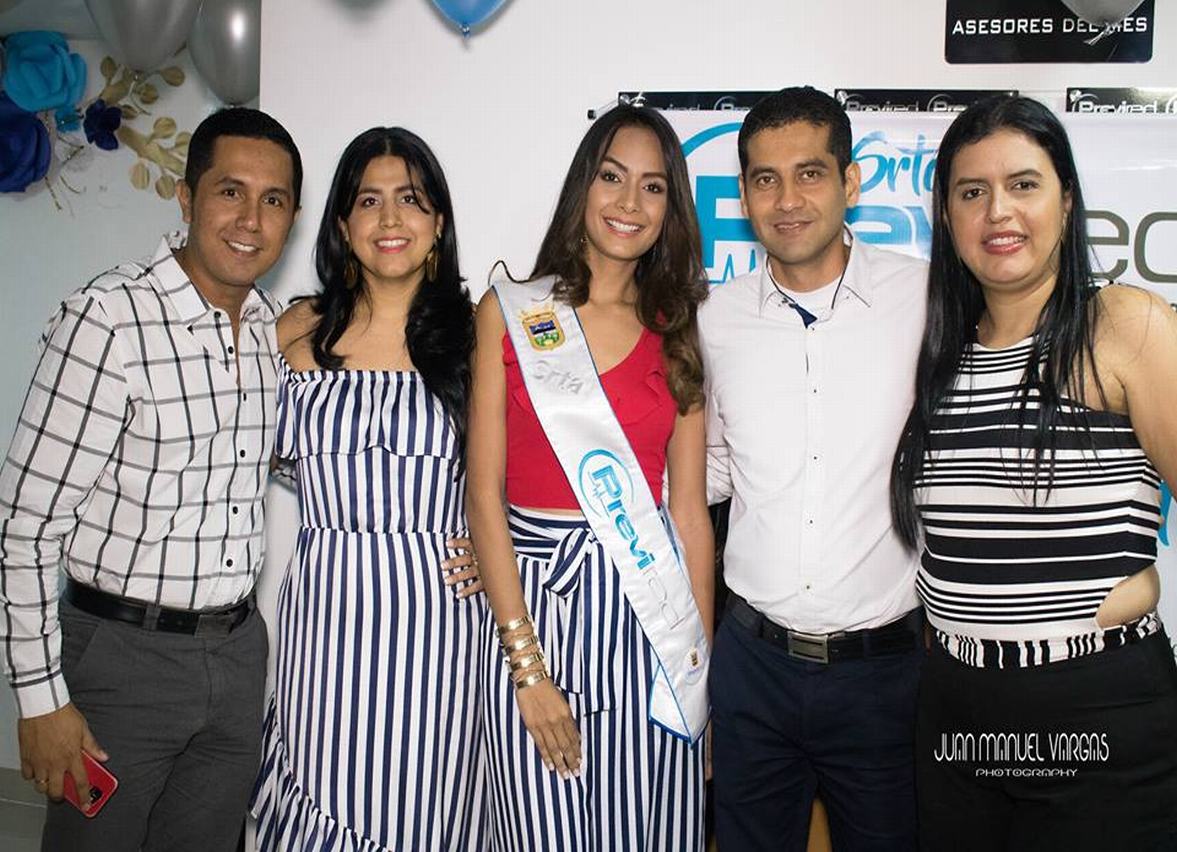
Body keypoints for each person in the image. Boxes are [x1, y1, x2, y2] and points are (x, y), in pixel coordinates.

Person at [0, 107, 301, 851]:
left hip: (237, 657)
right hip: (119, 660)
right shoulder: (109, 318)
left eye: (273, 200)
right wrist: (40, 700)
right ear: (187, 195)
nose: (250, 220)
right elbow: (24, 523)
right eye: (230, 191)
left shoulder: (271, 334)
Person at [891, 94, 1177, 851]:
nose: (997, 212)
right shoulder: (940, 359)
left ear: (1066, 199)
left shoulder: (1119, 325)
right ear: (946, 217)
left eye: (1023, 184)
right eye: (970, 191)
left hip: (1095, 716)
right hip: (955, 714)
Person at [467, 104, 712, 851]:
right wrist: (526, 667)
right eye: (611, 178)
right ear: (583, 185)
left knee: (651, 834)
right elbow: (483, 495)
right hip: (534, 605)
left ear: (671, 209)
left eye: (652, 187)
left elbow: (691, 515)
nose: (628, 204)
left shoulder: (677, 328)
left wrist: (696, 675)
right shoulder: (510, 312)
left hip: (649, 620)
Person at [700, 86, 928, 851]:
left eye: (809, 173)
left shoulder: (925, 299)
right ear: (742, 194)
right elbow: (707, 474)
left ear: (850, 181)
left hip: (883, 676)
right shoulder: (712, 320)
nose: (786, 199)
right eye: (764, 178)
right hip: (751, 668)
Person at [249, 127, 486, 851]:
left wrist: (498, 547)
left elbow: (530, 471)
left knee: (425, 810)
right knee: (318, 801)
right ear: (344, 225)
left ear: (438, 222)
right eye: (369, 201)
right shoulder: (292, 330)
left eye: (410, 201)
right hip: (322, 617)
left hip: (440, 624)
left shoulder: (479, 337)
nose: (390, 221)